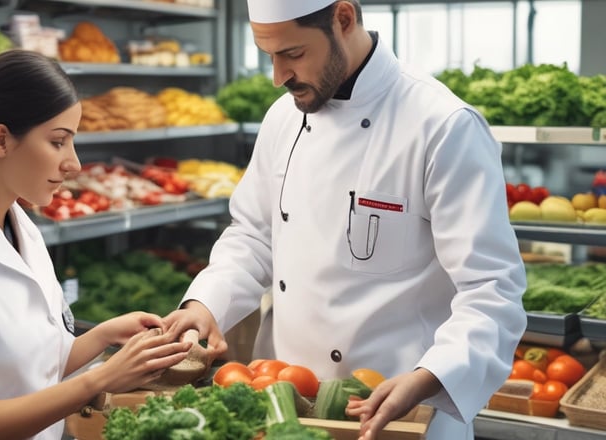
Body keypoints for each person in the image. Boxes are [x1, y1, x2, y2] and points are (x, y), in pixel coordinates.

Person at [164, 1, 528, 439]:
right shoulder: (283, 118)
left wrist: (429, 376)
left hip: (402, 415)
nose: (279, 77)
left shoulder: (443, 125)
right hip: (285, 406)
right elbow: (254, 236)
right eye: (270, 56)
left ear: (343, 19)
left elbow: (492, 289)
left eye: (293, 54)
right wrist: (205, 303)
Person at [0, 49, 191, 440]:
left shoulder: (21, 227)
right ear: (1, 140)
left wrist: (103, 336)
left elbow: (37, 366)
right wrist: (98, 381)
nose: (73, 164)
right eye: (58, 142)